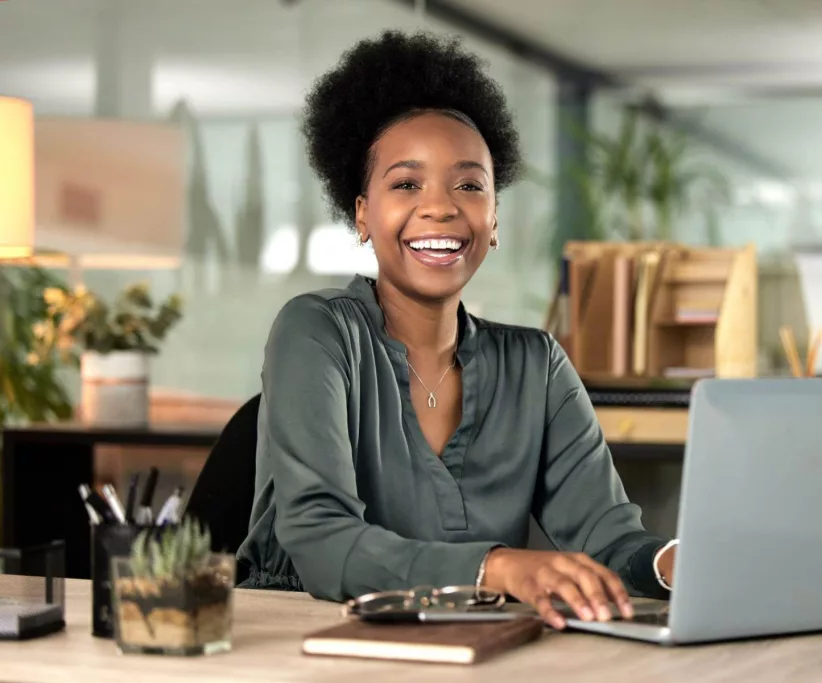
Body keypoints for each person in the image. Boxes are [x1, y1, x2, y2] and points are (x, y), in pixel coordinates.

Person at [236, 29, 677, 629]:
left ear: (494, 218)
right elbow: (321, 540)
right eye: (406, 184)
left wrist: (672, 562)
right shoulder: (317, 332)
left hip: (471, 646)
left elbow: (609, 536)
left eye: (469, 185)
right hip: (303, 639)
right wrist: (498, 569)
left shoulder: (537, 366)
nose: (441, 206)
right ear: (362, 213)